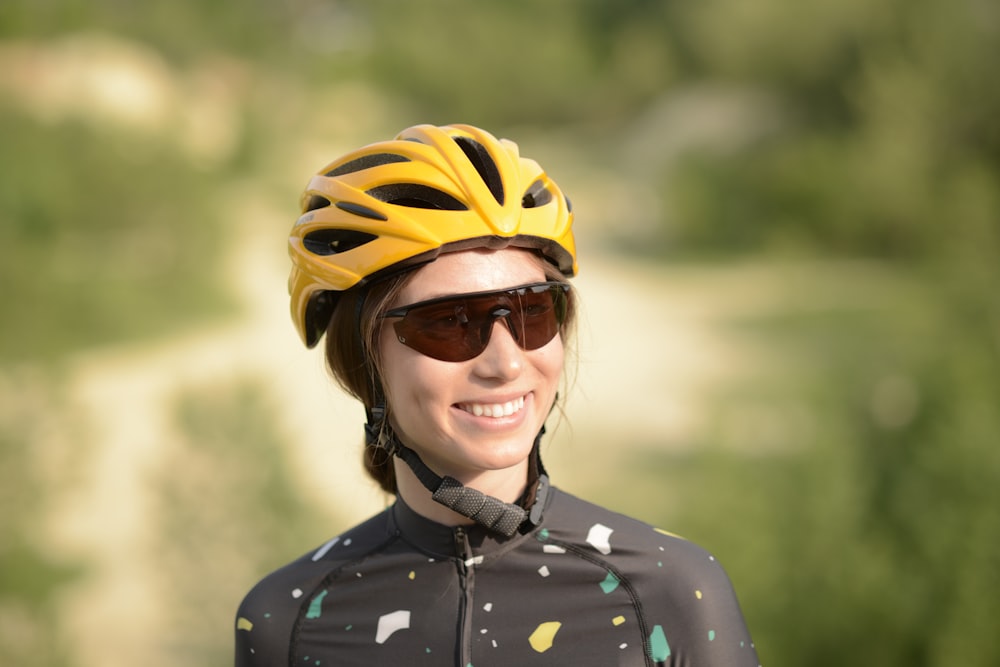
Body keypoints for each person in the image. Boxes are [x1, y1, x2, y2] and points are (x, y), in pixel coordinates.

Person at [234, 123, 760, 666]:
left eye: (533, 311)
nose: (506, 363)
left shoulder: (668, 594)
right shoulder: (287, 623)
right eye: (448, 322)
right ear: (363, 366)